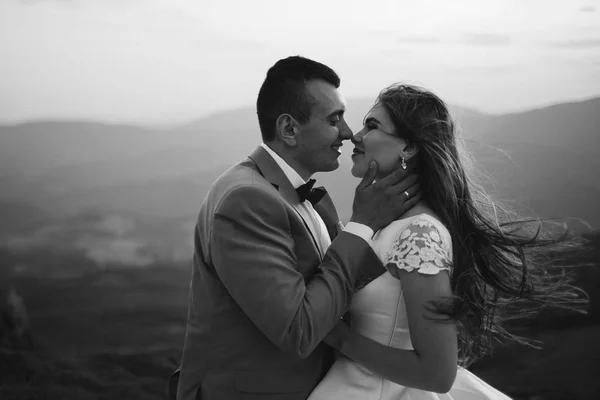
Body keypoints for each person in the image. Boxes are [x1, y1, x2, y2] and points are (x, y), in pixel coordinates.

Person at [307, 83, 586, 399]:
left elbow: (437, 374)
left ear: (409, 148)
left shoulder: (419, 235)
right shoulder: (387, 224)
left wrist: (339, 337)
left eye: (372, 126)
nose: (356, 136)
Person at [171, 57, 421, 400]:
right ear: (289, 129)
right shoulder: (245, 200)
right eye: (335, 120)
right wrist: (362, 224)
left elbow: (344, 287)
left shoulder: (296, 193)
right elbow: (298, 330)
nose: (348, 134)